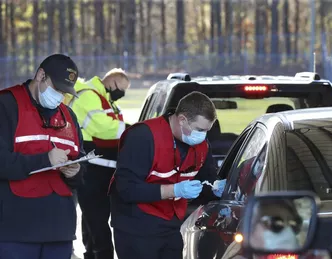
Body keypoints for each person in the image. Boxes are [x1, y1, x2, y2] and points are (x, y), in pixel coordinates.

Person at [109, 91, 227, 259]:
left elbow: (205, 179)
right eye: (200, 129)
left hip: (170, 224)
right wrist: (174, 191)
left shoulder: (201, 145)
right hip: (136, 226)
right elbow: (126, 189)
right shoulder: (143, 136)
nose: (203, 135)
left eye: (207, 130)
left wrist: (215, 187)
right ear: (182, 120)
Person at [0, 54, 86, 259]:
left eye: (65, 93)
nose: (60, 97)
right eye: (57, 89)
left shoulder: (68, 115)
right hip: (16, 232)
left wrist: (75, 171)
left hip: (60, 232)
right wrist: (44, 160)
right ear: (40, 75)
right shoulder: (6, 105)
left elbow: (81, 163)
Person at [64, 68, 131, 259]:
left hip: (99, 167)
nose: (122, 94)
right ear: (112, 82)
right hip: (91, 168)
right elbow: (103, 127)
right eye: (121, 88)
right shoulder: (89, 96)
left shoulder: (103, 98)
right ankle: (102, 255)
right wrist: (130, 131)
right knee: (97, 217)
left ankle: (92, 254)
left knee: (92, 217)